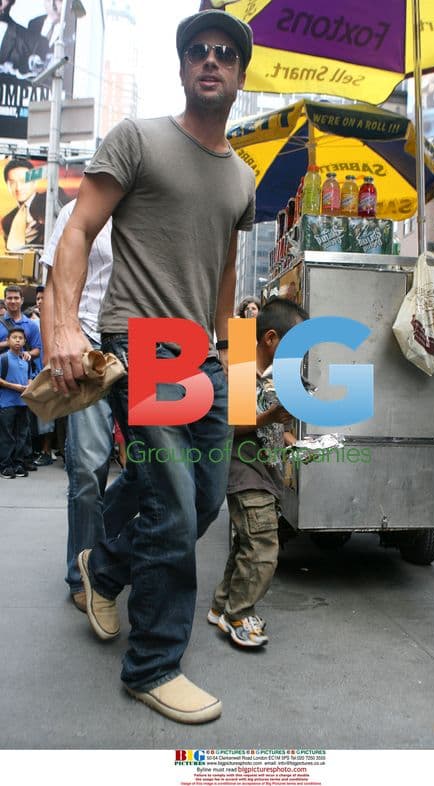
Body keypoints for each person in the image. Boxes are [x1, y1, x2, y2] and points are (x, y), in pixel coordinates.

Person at [43, 9, 255, 725]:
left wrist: (228, 349)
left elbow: (224, 266)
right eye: (198, 49)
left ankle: (102, 568)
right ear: (184, 65)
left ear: (238, 73)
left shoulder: (244, 178)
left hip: (202, 353)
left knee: (202, 502)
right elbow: (77, 231)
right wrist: (64, 325)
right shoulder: (139, 139)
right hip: (142, 341)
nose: (211, 59)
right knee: (168, 500)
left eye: (225, 53)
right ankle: (154, 663)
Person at [41, 198, 133, 611]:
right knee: (87, 468)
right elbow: (52, 289)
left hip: (143, 346)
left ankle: (97, 543)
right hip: (88, 345)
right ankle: (84, 574)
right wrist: (53, 355)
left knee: (154, 466)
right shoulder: (76, 210)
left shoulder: (151, 205)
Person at [208, 298, 307, 648]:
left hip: (266, 471)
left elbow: (270, 422)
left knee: (246, 545)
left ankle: (222, 606)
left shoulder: (275, 374)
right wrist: (272, 418)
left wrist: (290, 437)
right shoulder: (238, 365)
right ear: (269, 339)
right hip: (243, 470)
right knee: (264, 546)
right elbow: (230, 425)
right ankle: (239, 614)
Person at [0, 326, 31, 478]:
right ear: (7, 340)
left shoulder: (25, 360)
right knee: (7, 435)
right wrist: (15, 387)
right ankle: (5, 465)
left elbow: (29, 378)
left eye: (20, 338)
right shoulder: (3, 358)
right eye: (14, 337)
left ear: (24, 341)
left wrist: (30, 385)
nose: (18, 340)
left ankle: (18, 463)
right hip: (7, 403)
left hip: (23, 403)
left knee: (21, 435)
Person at [1, 159, 45, 250]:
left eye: (23, 181)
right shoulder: (7, 221)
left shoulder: (47, 202)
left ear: (34, 182)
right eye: (12, 183)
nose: (18, 188)